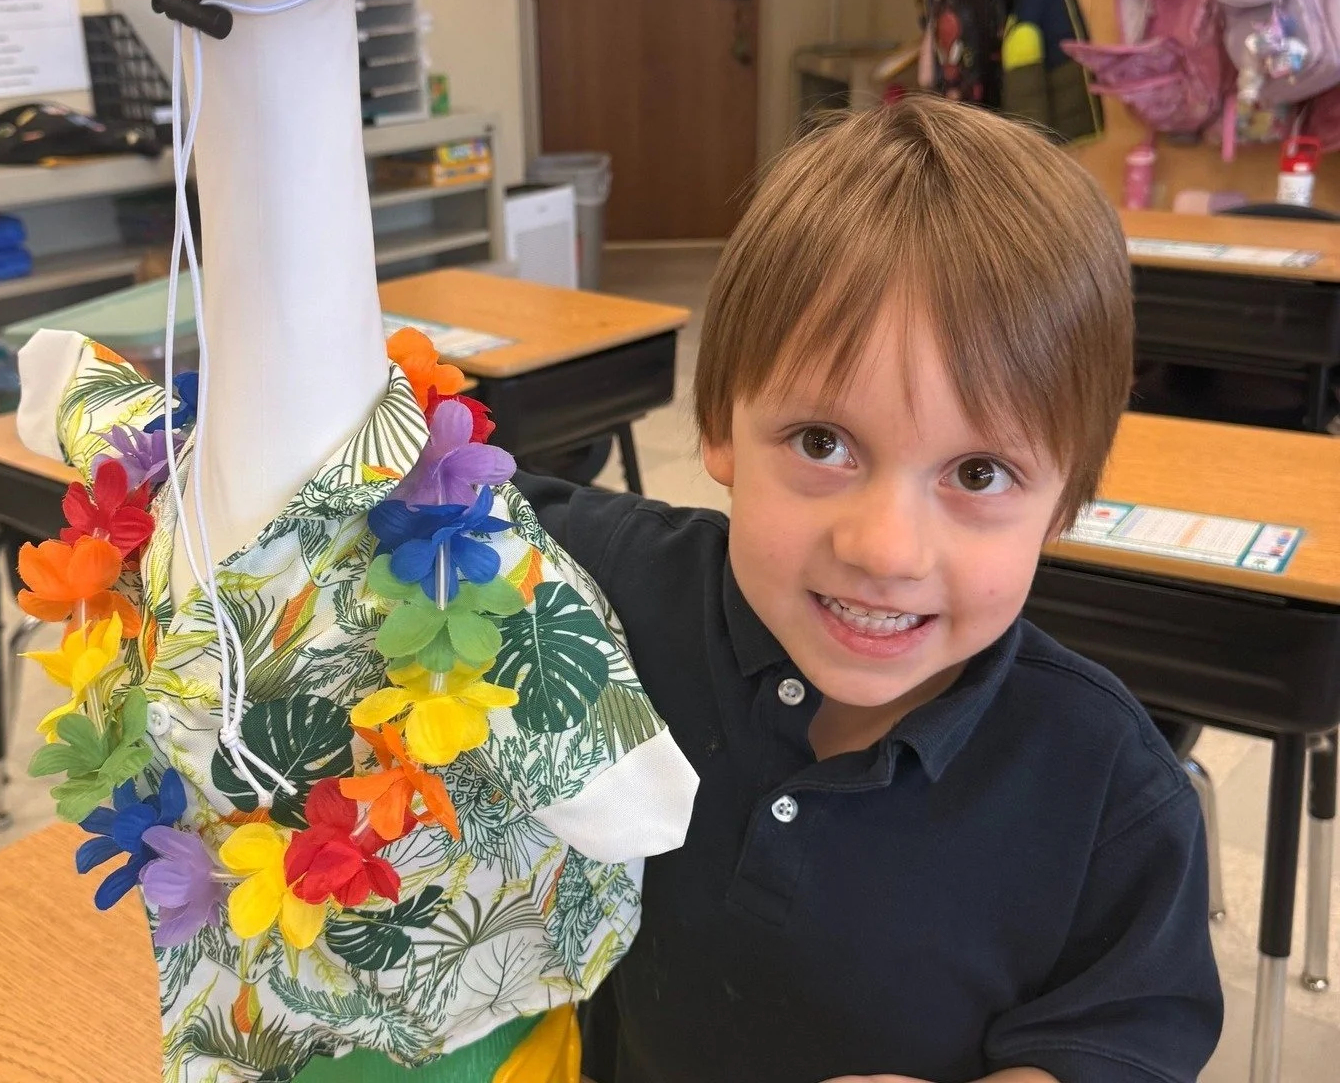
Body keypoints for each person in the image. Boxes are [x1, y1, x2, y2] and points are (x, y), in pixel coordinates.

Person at [521, 95, 1222, 1083]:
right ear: (719, 427)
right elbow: (399, 495)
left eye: (977, 474)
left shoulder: (1111, 793)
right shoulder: (612, 593)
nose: (887, 549)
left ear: (1064, 502)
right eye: (823, 444)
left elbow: (1125, 1048)